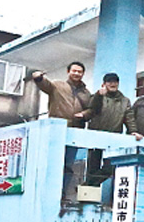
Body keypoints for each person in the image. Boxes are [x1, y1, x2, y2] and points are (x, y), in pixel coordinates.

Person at [32, 62, 91, 198]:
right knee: (53, 162)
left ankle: (62, 193)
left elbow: (91, 109)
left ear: (83, 74)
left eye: (80, 72)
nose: (77, 74)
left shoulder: (86, 93)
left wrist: (84, 115)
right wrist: (38, 77)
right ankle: (48, 192)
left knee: (68, 164)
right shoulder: (57, 85)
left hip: (75, 131)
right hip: (57, 130)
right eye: (74, 71)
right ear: (68, 71)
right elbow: (44, 85)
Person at [77, 73, 141, 186]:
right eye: (109, 82)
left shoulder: (125, 101)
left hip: (114, 139)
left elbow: (129, 117)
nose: (113, 84)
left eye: (115, 82)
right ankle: (89, 192)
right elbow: (92, 109)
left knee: (110, 167)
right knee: (92, 167)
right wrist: (98, 96)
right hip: (96, 137)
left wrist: (133, 131)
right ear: (104, 84)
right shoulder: (97, 96)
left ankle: (88, 185)